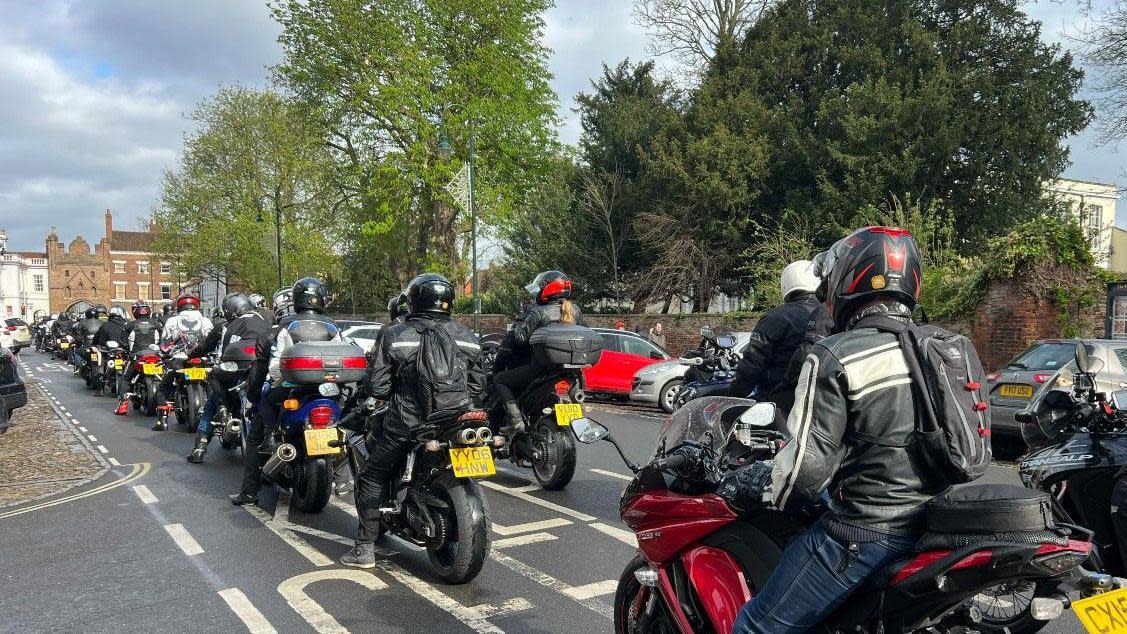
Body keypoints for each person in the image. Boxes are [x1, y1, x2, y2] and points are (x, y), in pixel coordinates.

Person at [726, 227, 938, 633]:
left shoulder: (836, 354)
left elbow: (803, 475)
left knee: (754, 625)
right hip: (932, 521)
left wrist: (756, 485)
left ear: (847, 279)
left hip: (866, 529)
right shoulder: (945, 348)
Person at [340, 273, 485, 568]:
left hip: (407, 423)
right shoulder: (467, 336)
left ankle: (364, 548)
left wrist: (376, 398)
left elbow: (378, 387)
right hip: (459, 420)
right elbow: (478, 386)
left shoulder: (395, 334)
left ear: (414, 299)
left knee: (372, 475)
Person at [232, 278, 339, 505]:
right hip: (326, 391)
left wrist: (255, 395)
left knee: (253, 438)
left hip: (290, 390)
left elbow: (272, 365)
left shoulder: (284, 326)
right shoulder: (331, 326)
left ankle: (250, 492)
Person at [490, 270, 585, 431]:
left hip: (539, 370)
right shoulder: (575, 311)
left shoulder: (539, 312)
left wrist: (520, 319)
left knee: (500, 379)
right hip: (572, 373)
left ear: (548, 290)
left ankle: (516, 421)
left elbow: (520, 339)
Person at [727, 260, 824, 417]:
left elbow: (751, 366)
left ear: (786, 285)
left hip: (778, 405)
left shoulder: (776, 317)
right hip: (822, 405)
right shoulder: (832, 315)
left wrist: (731, 399)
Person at [186, 292, 270, 463]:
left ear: (232, 309)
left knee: (210, 406)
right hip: (262, 370)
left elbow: (221, 352)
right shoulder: (265, 321)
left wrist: (191, 354)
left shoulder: (227, 326)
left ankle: (199, 449)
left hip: (234, 371)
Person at [153, 293, 212, 431]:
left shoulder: (172, 321)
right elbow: (212, 341)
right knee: (213, 385)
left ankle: (162, 421)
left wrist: (166, 353)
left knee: (162, 389)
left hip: (179, 359)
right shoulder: (206, 321)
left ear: (179, 305)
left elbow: (164, 345)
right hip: (203, 359)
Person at [115, 301, 161, 415]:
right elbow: (164, 341)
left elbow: (123, 343)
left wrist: (125, 352)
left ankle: (123, 405)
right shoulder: (157, 324)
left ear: (135, 311)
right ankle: (165, 402)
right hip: (155, 357)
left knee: (125, 379)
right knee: (164, 378)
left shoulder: (129, 325)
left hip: (136, 357)